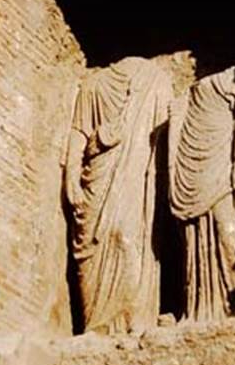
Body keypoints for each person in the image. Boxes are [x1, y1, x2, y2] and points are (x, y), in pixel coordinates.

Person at [65, 56, 172, 333]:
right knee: (90, 247)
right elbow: (78, 133)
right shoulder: (93, 85)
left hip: (135, 176)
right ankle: (95, 325)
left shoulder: (155, 79)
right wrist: (70, 178)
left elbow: (164, 136)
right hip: (98, 175)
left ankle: (134, 318)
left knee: (127, 236)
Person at [169, 65, 235, 322]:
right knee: (197, 241)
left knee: (229, 234)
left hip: (222, 172)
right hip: (198, 172)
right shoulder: (194, 92)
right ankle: (203, 309)